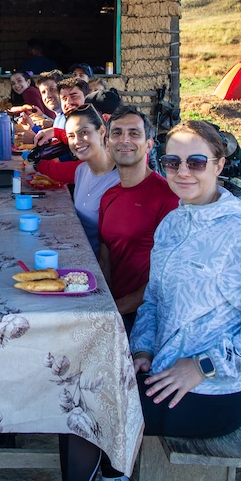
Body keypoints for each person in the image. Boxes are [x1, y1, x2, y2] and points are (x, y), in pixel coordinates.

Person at [6, 119, 241, 481]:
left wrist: (202, 366)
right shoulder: (175, 221)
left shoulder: (239, 232)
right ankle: (111, 477)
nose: (183, 172)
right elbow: (155, 301)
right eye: (172, 162)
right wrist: (141, 349)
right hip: (162, 370)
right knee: (83, 368)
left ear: (219, 165)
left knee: (85, 397)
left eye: (196, 161)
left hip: (213, 393)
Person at [98, 106, 178, 333]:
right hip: (114, 308)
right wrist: (101, 303)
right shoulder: (108, 196)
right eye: (117, 133)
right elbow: (105, 258)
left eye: (134, 133)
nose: (124, 140)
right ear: (107, 144)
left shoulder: (168, 197)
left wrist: (116, 309)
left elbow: (169, 277)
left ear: (149, 145)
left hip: (147, 316)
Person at [36, 105, 118, 254]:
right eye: (71, 136)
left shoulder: (120, 180)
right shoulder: (81, 170)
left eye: (84, 132)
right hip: (75, 249)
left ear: (101, 132)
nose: (77, 141)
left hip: (97, 262)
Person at [35, 77, 91, 147]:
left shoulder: (94, 120)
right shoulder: (63, 118)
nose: (68, 102)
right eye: (64, 98)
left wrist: (56, 133)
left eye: (74, 97)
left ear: (87, 98)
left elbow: (84, 142)